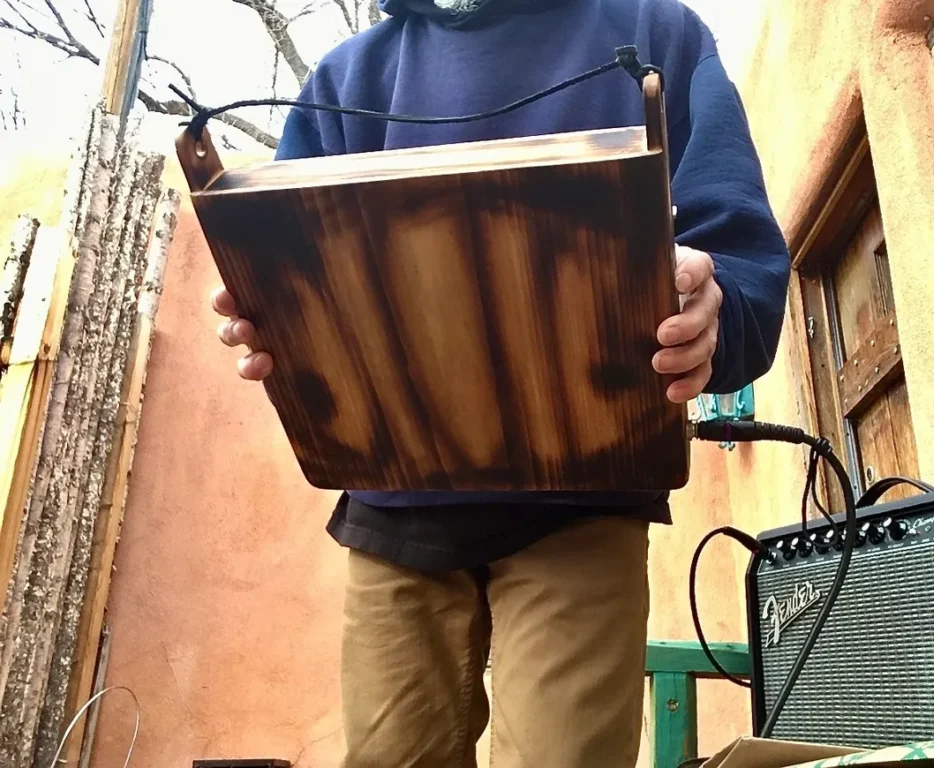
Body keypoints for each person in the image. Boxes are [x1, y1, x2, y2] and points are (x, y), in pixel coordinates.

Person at [210, 0, 790, 765]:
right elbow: (290, 269)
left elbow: (739, 257)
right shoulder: (343, 79)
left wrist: (719, 313)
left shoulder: (658, 33)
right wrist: (273, 324)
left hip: (585, 492)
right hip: (395, 512)